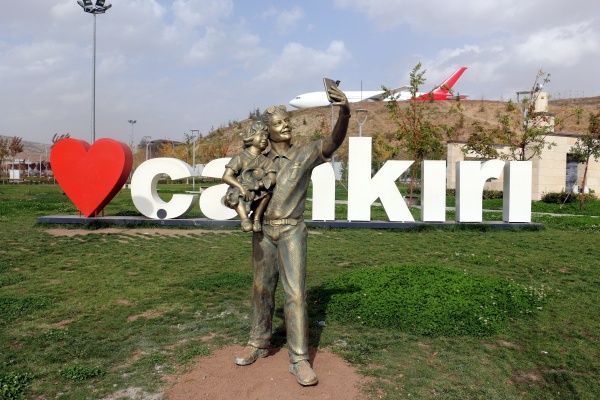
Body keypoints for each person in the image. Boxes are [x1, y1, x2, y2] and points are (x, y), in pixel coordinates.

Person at [234, 85, 350, 386]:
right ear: (268, 131)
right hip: (263, 229)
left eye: (287, 121)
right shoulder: (258, 159)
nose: (286, 126)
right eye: (278, 123)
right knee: (261, 288)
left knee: (295, 293)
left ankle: (299, 359)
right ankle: (258, 342)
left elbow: (333, 141)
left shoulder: (305, 153)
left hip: (292, 230)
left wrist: (345, 112)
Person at [222, 121, 276, 232]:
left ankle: (256, 218)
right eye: (261, 135)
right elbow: (226, 176)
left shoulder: (266, 161)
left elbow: (272, 179)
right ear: (251, 137)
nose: (264, 138)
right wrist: (241, 188)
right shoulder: (240, 157)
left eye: (266, 136)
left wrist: (256, 185)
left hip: (257, 190)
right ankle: (244, 219)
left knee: (266, 194)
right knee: (236, 194)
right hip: (241, 189)